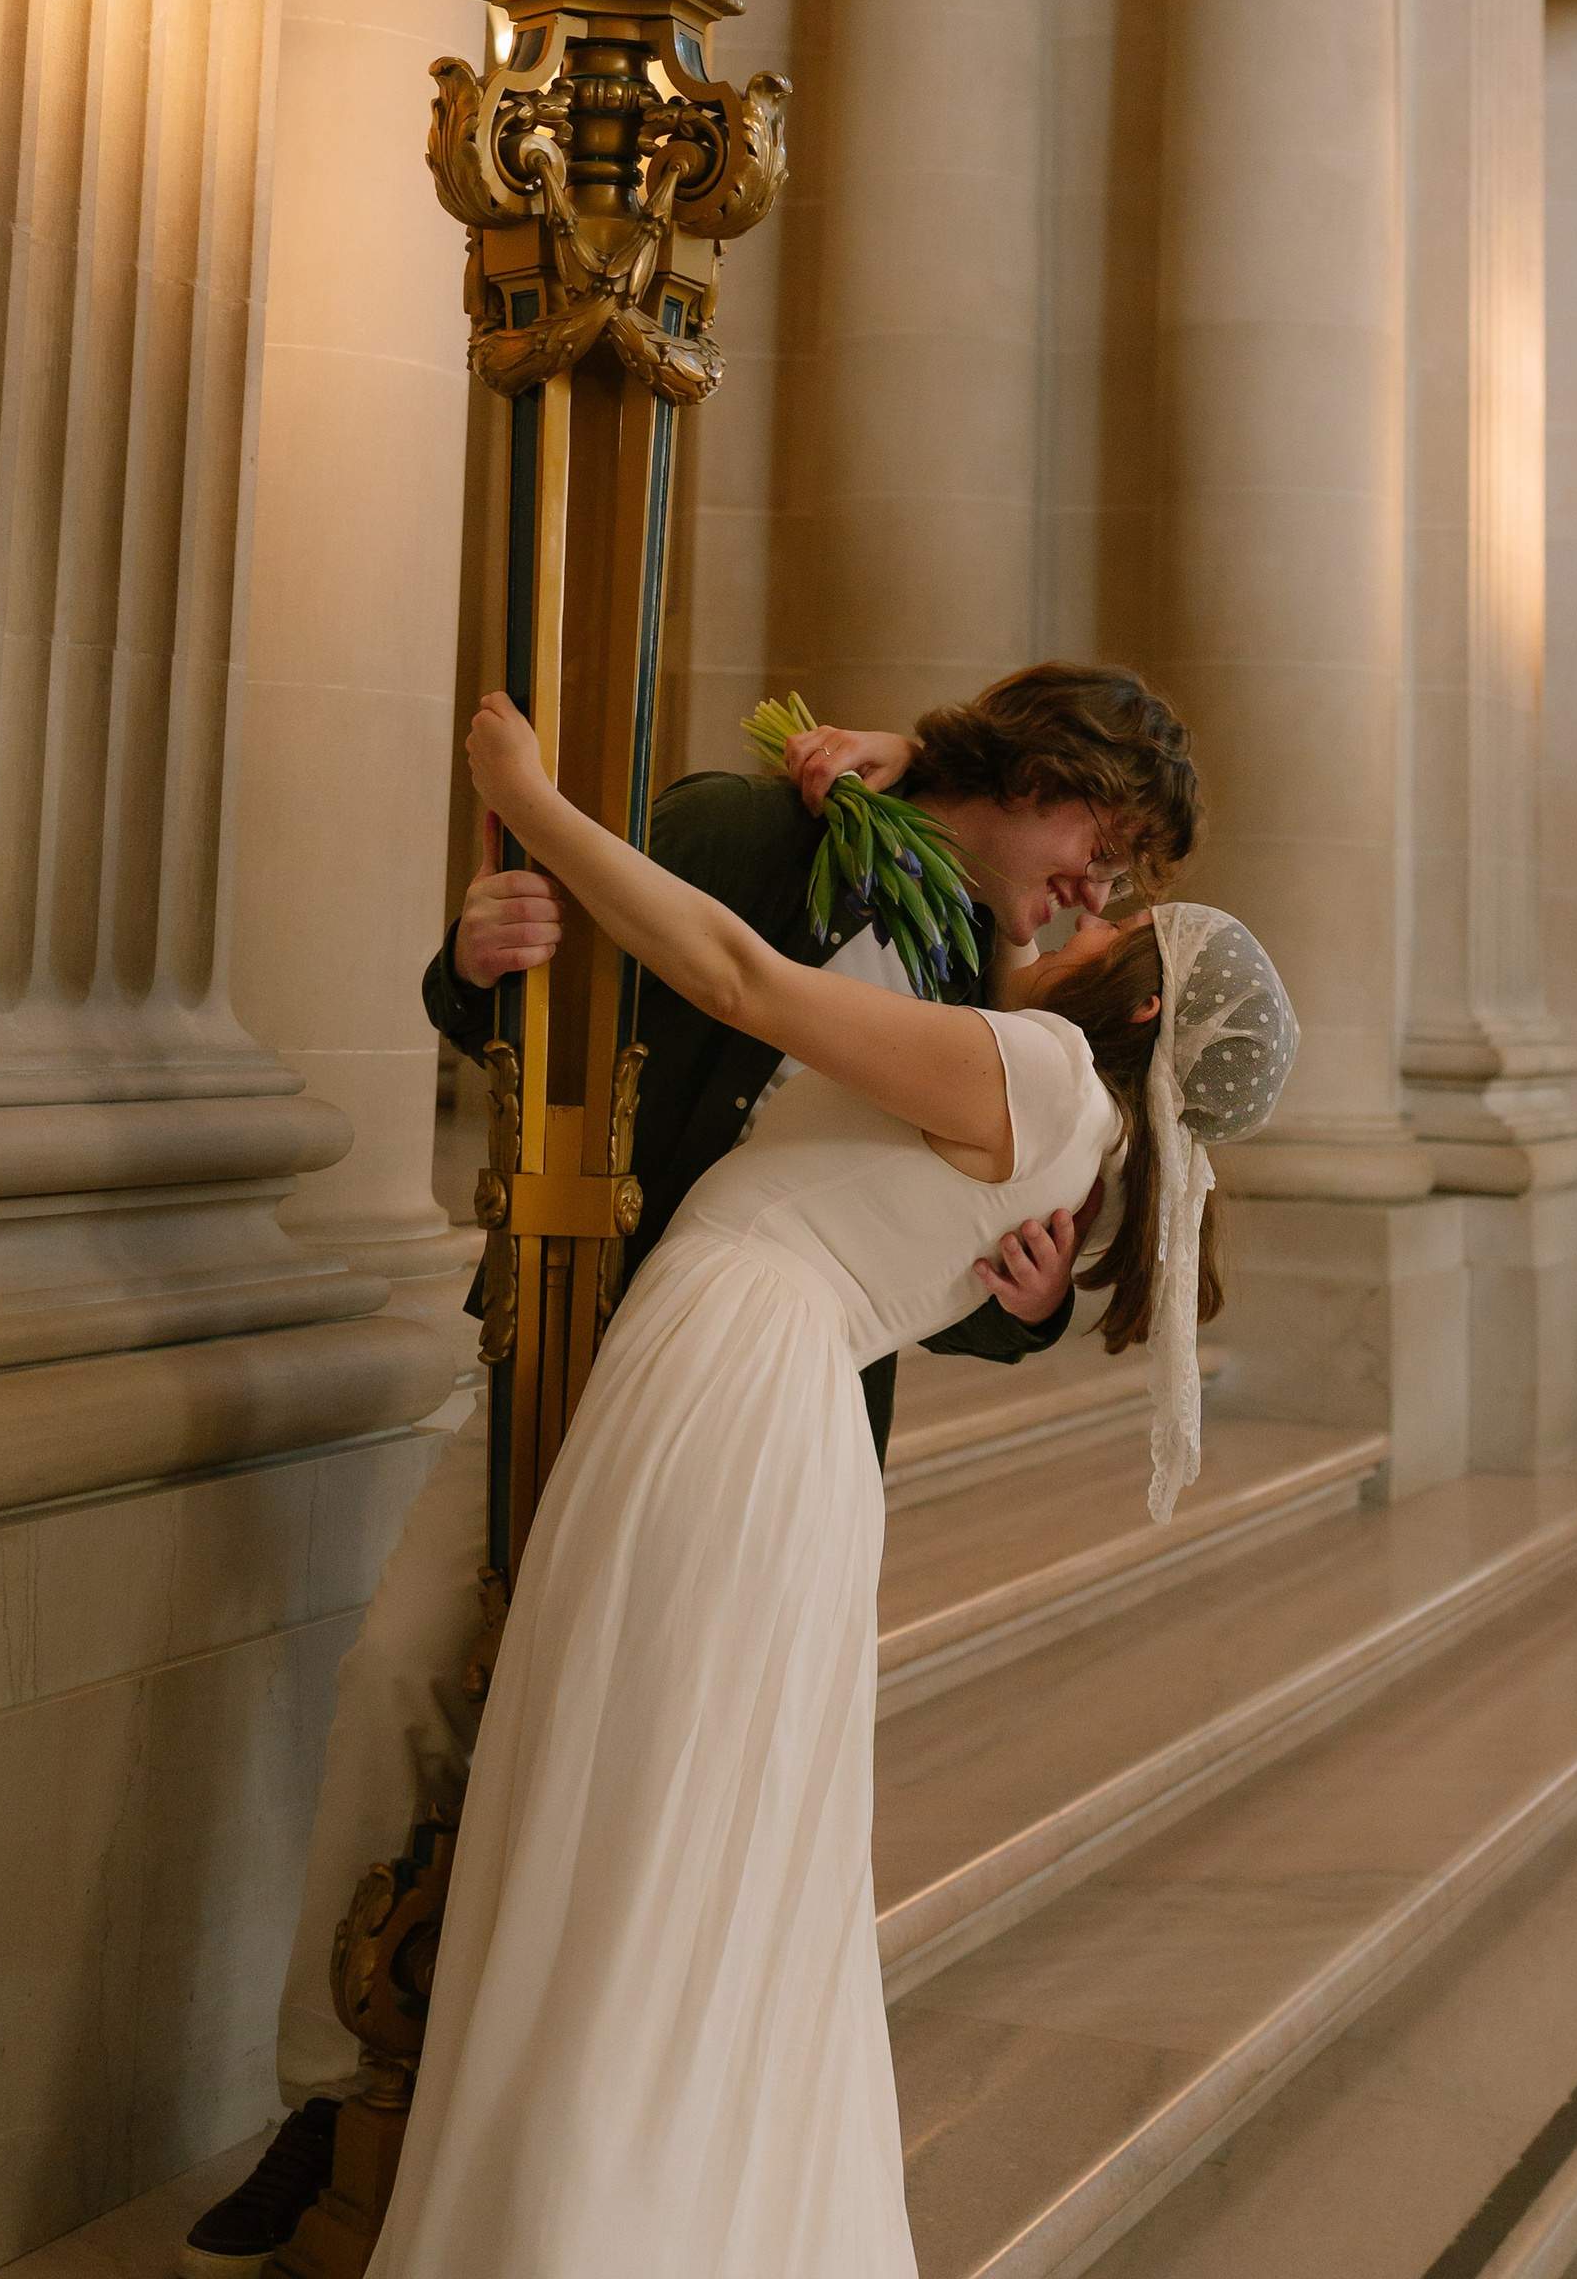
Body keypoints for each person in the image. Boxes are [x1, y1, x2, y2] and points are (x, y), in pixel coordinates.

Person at [180, 665, 1203, 2277]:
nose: (1099, 888)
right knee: (402, 1684)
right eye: (1100, 838)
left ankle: (562, 2149)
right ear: (1032, 764)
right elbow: (556, 997)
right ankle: (335, 2102)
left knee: (646, 1784)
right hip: (574, 1339)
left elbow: (942, 1245)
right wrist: (468, 966)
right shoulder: (758, 828)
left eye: (1125, 880)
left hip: (750, 1399)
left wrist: (1021, 1307)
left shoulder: (988, 983)